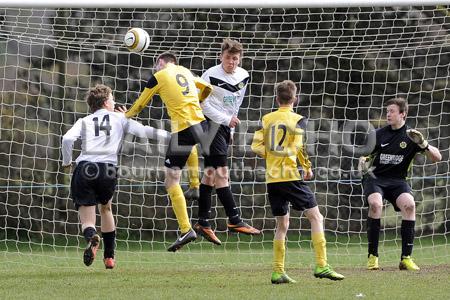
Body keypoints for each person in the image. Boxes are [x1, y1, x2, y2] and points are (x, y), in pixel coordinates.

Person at [62, 84, 168, 268]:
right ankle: (109, 257)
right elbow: (144, 131)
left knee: (87, 219)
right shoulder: (120, 118)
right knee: (106, 209)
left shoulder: (84, 121)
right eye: (112, 98)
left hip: (85, 167)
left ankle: (91, 237)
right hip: (107, 169)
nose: (114, 101)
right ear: (105, 102)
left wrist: (66, 162)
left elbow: (67, 139)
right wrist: (173, 136)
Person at [251, 80, 344, 284]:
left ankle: (278, 271)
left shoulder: (266, 118)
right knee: (316, 217)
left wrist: (271, 152)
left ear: (277, 99)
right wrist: (307, 166)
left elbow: (255, 146)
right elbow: (298, 147)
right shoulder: (298, 119)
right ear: (295, 98)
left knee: (282, 224)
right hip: (291, 176)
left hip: (272, 179)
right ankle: (322, 265)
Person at [125, 52, 213, 252]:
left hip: (183, 128)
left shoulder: (160, 76)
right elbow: (208, 88)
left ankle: (186, 229)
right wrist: (199, 101)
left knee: (170, 180)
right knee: (190, 148)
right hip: (202, 124)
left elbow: (141, 103)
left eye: (157, 65)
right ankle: (194, 186)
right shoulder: (186, 72)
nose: (156, 69)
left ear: (161, 63)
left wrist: (126, 114)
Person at [184, 38, 260, 246]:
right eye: (228, 58)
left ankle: (203, 222)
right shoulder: (209, 75)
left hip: (225, 127)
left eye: (235, 59)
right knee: (222, 174)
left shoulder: (244, 75)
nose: (231, 62)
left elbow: (237, 103)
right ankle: (234, 219)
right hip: (210, 125)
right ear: (221, 57)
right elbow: (203, 105)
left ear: (239, 59)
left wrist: (231, 127)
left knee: (209, 175)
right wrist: (226, 120)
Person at [359, 97, 441, 271]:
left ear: (403, 114)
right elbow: (364, 155)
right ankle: (372, 256)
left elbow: (437, 157)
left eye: (392, 111)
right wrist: (362, 161)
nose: (388, 114)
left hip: (398, 181)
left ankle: (406, 258)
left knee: (409, 205)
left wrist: (424, 144)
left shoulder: (412, 136)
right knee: (375, 204)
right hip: (376, 179)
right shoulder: (379, 134)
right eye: (387, 111)